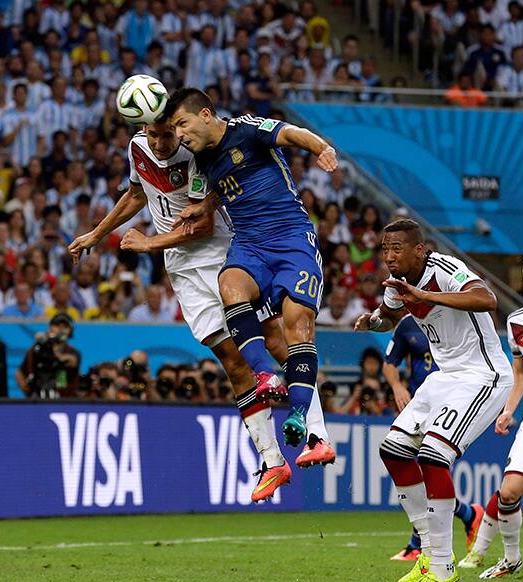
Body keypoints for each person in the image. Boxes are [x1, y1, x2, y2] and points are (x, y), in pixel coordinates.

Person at [69, 116, 334, 503]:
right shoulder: (138, 148)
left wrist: (149, 243)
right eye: (155, 134)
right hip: (181, 268)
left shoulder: (196, 153)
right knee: (230, 358)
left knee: (276, 339)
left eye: (168, 134)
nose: (162, 142)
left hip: (218, 252)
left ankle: (316, 434)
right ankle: (273, 460)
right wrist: (98, 232)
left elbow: (205, 224)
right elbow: (136, 193)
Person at [162, 88, 337, 472]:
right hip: (251, 244)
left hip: (292, 239)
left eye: (182, 124)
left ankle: (301, 419)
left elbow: (290, 133)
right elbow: (225, 189)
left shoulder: (247, 129)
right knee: (230, 287)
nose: (180, 135)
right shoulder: (202, 159)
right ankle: (264, 375)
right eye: (174, 128)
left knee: (296, 327)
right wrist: (204, 205)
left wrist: (320, 147)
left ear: (205, 114)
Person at [353, 218, 513, 582]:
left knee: (433, 455)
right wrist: (374, 321)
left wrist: (424, 295)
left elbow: (487, 300)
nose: (389, 257)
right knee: (392, 450)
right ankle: (430, 552)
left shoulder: (446, 270)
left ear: (420, 250)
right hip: (444, 377)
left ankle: (442, 568)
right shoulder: (398, 283)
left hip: (483, 375)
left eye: (397, 249)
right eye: (385, 250)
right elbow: (390, 316)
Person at [460, 253, 523, 577]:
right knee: (509, 491)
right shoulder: (516, 323)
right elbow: (520, 374)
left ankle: (481, 549)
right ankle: (511, 558)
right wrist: (509, 410)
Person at [383, 316, 484, 562]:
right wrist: (397, 386)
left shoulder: (457, 316)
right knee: (414, 469)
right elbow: (389, 362)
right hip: (422, 404)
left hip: (454, 403)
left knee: (430, 468)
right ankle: (468, 515)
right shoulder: (407, 324)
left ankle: (419, 545)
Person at [16, 313, 80, 398]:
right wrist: (27, 389)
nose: (61, 329)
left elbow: (73, 361)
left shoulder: (72, 352)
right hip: (37, 397)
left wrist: (57, 352)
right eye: (57, 325)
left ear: (71, 331)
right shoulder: (36, 349)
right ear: (50, 328)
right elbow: (20, 372)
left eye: (65, 326)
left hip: (63, 399)